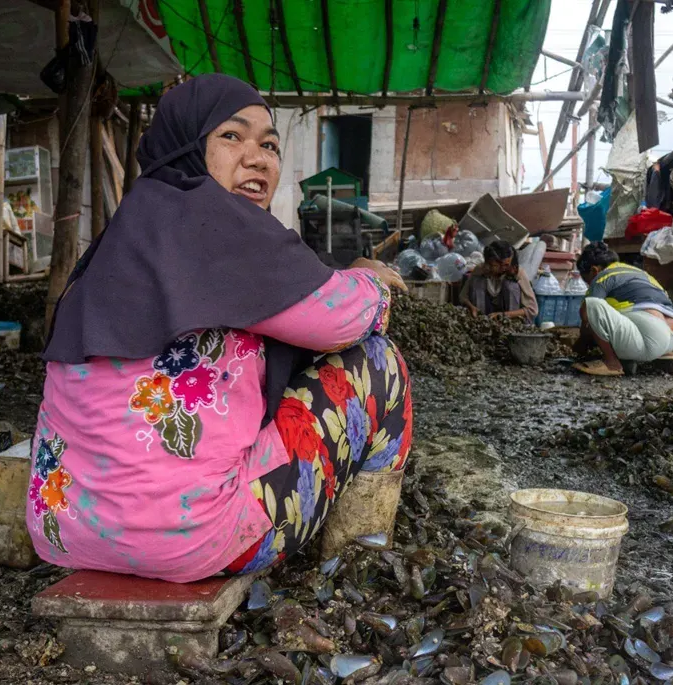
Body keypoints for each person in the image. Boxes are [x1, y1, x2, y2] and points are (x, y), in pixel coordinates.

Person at [35, 74, 413, 582]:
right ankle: (360, 563)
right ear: (187, 146)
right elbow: (341, 318)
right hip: (196, 542)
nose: (258, 159)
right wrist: (372, 282)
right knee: (378, 362)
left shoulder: (124, 236)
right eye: (232, 136)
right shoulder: (216, 225)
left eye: (270, 145)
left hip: (63, 530)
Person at [572, 241, 673, 376]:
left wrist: (581, 345)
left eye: (587, 281)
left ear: (594, 270)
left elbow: (587, 314)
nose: (589, 286)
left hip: (650, 339)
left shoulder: (602, 277)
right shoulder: (640, 273)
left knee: (591, 304)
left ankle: (611, 363)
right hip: (672, 338)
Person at [459, 241, 539, 321]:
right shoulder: (480, 270)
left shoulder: (517, 273)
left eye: (506, 265)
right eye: (497, 265)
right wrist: (472, 307)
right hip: (485, 316)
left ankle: (510, 324)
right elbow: (463, 296)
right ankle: (480, 320)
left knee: (511, 285)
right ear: (489, 262)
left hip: (508, 318)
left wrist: (503, 315)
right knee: (477, 281)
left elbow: (533, 310)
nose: (503, 268)